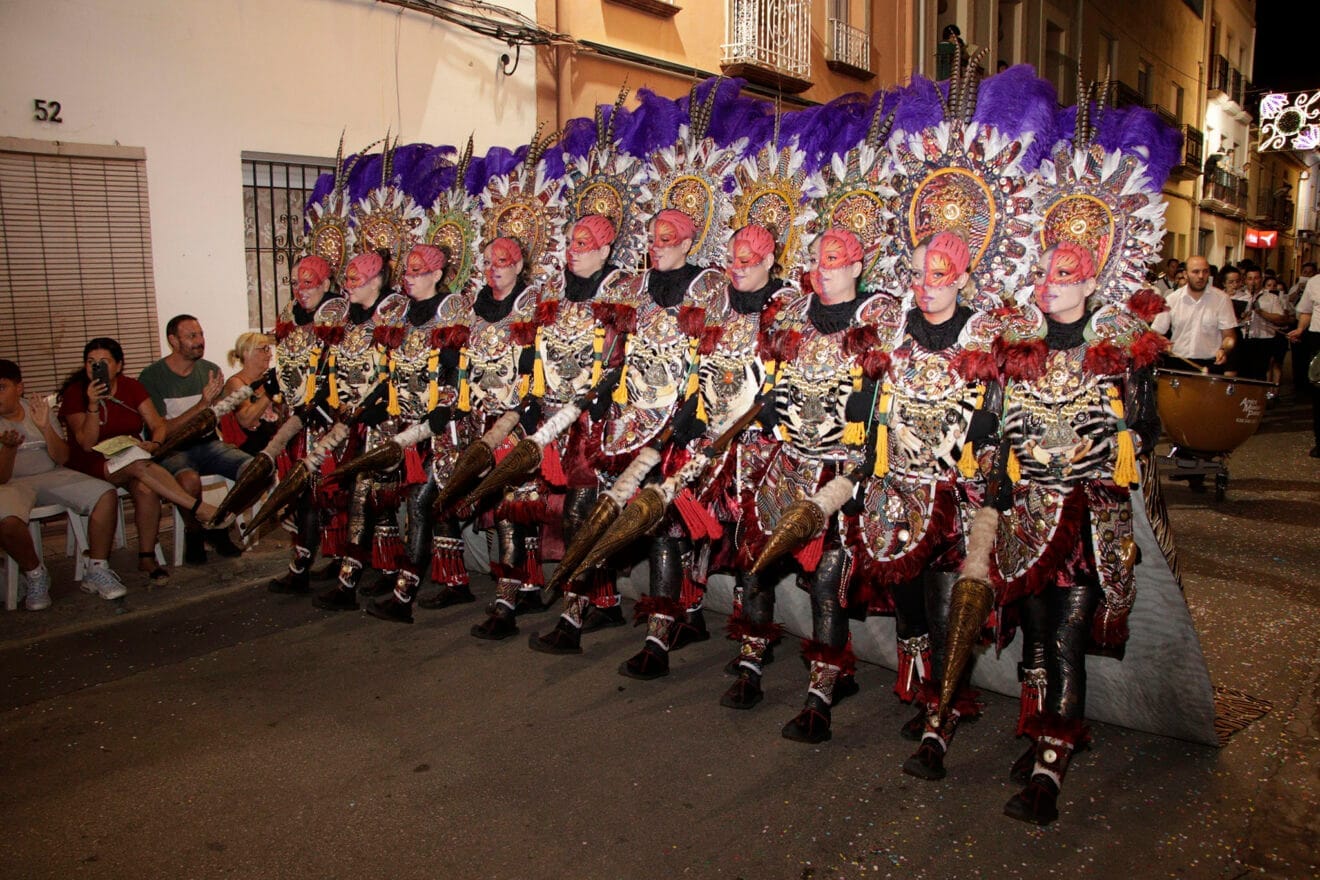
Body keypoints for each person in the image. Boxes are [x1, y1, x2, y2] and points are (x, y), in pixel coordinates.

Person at [60, 338, 220, 583]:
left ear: (118, 365)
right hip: (91, 462)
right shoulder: (76, 393)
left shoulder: (131, 387)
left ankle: (146, 557)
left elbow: (157, 425)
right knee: (137, 465)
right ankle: (197, 508)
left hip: (131, 456)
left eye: (103, 362)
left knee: (146, 486)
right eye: (91, 362)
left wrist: (155, 443)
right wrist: (93, 404)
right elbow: (84, 442)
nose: (96, 368)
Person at [0, 359, 127, 608]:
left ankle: (98, 568)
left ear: (19, 387)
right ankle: (36, 574)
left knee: (105, 494)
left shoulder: (37, 409)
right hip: (12, 483)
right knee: (5, 521)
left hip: (52, 474)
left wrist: (45, 427)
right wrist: (8, 449)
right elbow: (1, 478)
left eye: (1, 387)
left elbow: (62, 457)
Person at [138, 314, 250, 563]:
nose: (200, 341)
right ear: (173, 341)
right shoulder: (151, 377)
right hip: (171, 449)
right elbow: (162, 430)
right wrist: (202, 404)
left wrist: (227, 403)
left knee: (254, 470)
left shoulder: (210, 370)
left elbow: (217, 414)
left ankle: (218, 523)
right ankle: (195, 531)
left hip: (208, 444)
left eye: (201, 335)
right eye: (192, 336)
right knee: (188, 480)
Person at [1150, 256, 1237, 373]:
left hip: (1210, 364)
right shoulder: (1172, 299)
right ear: (1185, 274)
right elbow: (1155, 333)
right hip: (1178, 363)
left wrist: (1223, 350)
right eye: (1196, 272)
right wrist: (1163, 342)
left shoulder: (1222, 299)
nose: (1201, 276)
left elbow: (1229, 336)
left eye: (1205, 271)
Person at [219, 332, 282, 456]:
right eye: (264, 349)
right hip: (250, 452)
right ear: (246, 353)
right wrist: (269, 393)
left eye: (269, 349)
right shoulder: (235, 383)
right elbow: (246, 420)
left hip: (273, 446)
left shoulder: (266, 379)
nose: (270, 354)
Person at [1286, 271, 1320, 457]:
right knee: (1318, 392)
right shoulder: (1315, 283)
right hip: (1318, 338)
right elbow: (1306, 311)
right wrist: (1300, 329)